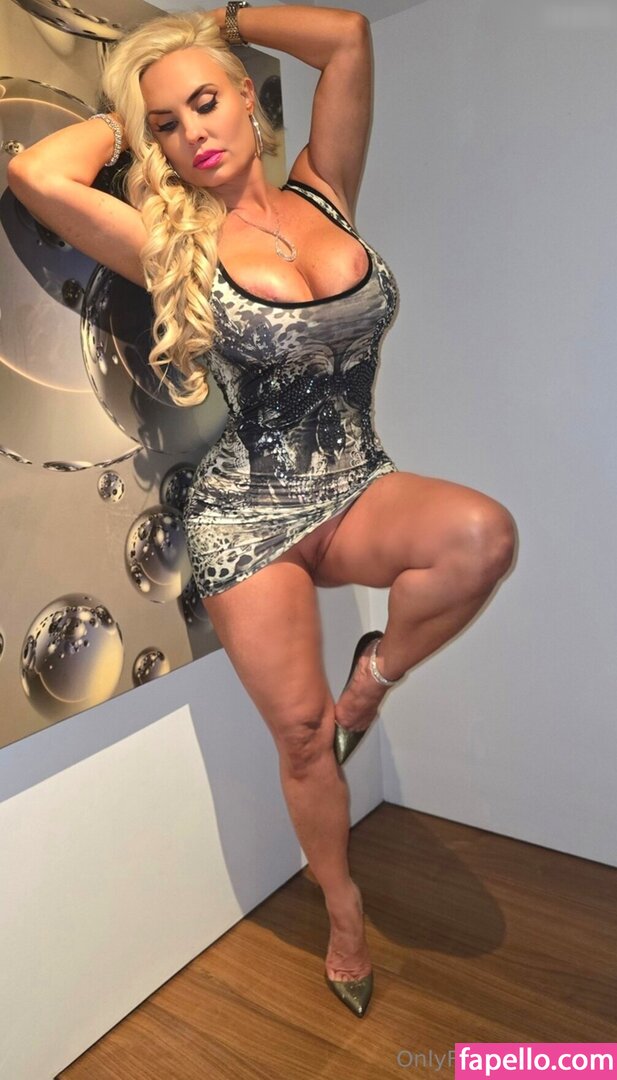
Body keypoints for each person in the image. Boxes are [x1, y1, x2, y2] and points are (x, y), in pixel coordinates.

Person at [7, 3, 516, 1018]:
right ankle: (343, 914)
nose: (192, 132)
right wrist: (127, 110)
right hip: (246, 519)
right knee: (299, 735)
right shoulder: (168, 242)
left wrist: (222, 19)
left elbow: (347, 37)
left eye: (205, 102)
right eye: (167, 125)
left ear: (246, 96)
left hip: (354, 483)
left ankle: (372, 679)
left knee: (480, 537)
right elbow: (37, 174)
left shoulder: (324, 189)